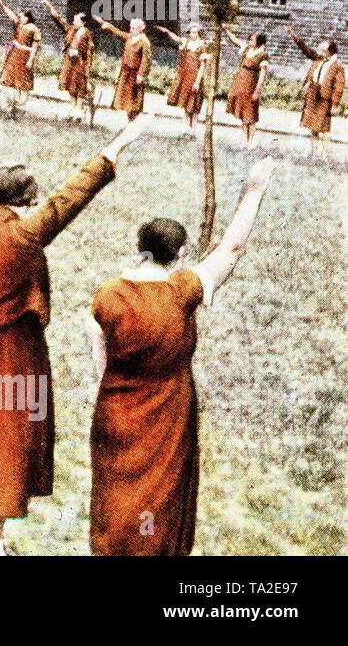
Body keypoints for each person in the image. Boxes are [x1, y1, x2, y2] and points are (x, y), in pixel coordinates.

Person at [0, 115, 151, 555]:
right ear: (27, 200)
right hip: (16, 348)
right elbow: (74, 193)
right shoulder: (26, 233)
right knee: (6, 435)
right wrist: (118, 146)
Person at [90, 157, 275, 555]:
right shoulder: (181, 293)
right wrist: (254, 190)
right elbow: (232, 247)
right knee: (157, 502)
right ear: (180, 253)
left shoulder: (107, 296)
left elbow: (100, 362)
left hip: (116, 410)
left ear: (140, 249)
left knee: (115, 497)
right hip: (167, 414)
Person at [285, 23, 343, 158]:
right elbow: (306, 50)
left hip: (325, 97)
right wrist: (294, 36)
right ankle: (314, 153)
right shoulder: (319, 59)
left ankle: (325, 154)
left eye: (323, 50)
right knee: (313, 126)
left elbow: (339, 86)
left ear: (330, 51)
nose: (320, 52)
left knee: (324, 128)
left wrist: (334, 104)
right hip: (313, 93)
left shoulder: (337, 66)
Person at [42, 0, 93, 121]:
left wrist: (88, 65)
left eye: (76, 21)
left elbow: (90, 50)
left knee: (79, 85)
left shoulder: (86, 33)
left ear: (83, 22)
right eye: (74, 20)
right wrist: (49, 6)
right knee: (70, 84)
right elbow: (58, 19)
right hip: (69, 61)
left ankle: (79, 110)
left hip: (80, 62)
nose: (73, 22)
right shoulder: (70, 30)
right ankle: (73, 109)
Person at [154, 23, 210, 133]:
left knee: (194, 104)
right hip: (186, 76)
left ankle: (193, 129)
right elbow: (176, 38)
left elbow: (202, 65)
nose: (192, 35)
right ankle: (186, 128)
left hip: (195, 76)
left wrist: (197, 82)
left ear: (198, 33)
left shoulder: (202, 46)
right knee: (185, 102)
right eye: (191, 32)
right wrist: (167, 31)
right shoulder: (186, 42)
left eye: (195, 32)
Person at [96, 16, 153, 121]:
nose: (132, 30)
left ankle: (133, 118)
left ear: (140, 29)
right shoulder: (130, 37)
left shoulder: (144, 41)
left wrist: (141, 74)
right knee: (124, 95)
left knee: (134, 96)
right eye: (131, 28)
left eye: (135, 28)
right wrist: (107, 25)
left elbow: (146, 60)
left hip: (135, 73)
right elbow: (119, 33)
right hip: (126, 71)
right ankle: (129, 117)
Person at [0, 0, 41, 115]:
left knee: (24, 80)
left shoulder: (33, 28)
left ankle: (22, 104)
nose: (21, 18)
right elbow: (10, 14)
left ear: (28, 17)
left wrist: (31, 60)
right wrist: (2, 4)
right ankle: (16, 103)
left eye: (23, 17)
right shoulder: (19, 25)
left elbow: (35, 46)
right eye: (20, 17)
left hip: (25, 55)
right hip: (15, 55)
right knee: (16, 79)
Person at [223, 29, 269, 146]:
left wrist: (257, 91)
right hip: (241, 83)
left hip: (251, 84)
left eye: (252, 40)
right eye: (250, 39)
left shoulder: (262, 54)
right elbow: (234, 39)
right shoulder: (247, 49)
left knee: (250, 114)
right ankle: (244, 139)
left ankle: (251, 141)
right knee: (243, 112)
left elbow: (262, 75)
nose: (249, 41)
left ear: (259, 42)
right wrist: (225, 29)